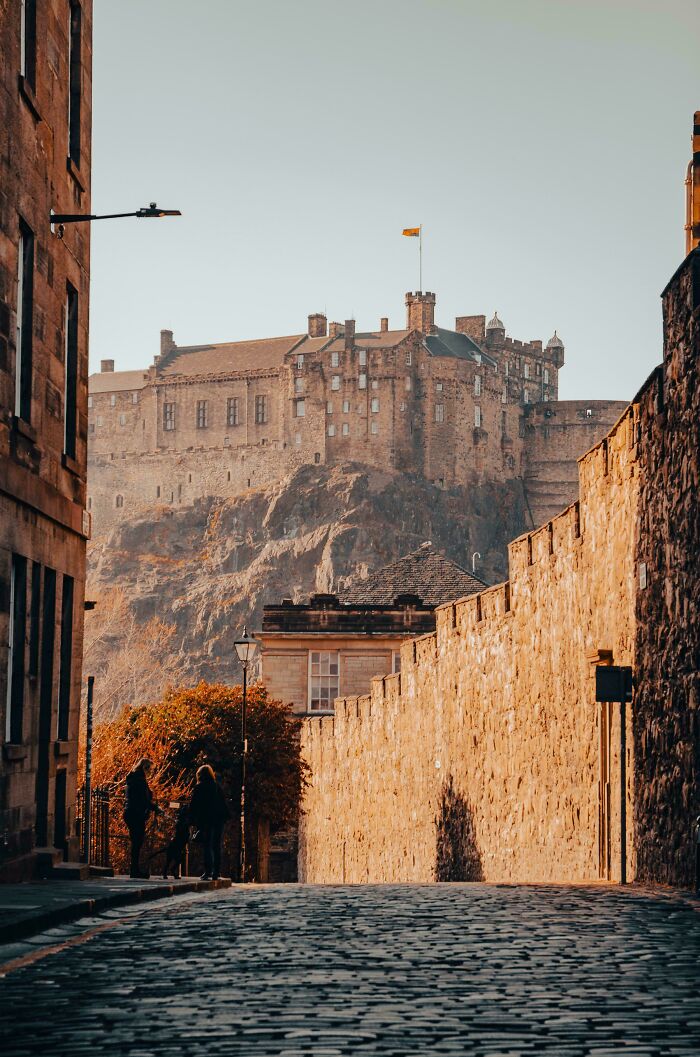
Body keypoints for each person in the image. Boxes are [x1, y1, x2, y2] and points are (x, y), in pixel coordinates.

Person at [189, 764, 230, 880]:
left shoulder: (199, 787)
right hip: (219, 819)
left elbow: (194, 805)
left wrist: (191, 820)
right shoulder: (216, 786)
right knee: (217, 846)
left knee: (207, 845)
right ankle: (216, 872)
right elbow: (222, 803)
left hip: (206, 820)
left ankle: (208, 871)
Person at [124, 758, 158, 878]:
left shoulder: (133, 779)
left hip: (130, 812)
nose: (151, 773)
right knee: (137, 842)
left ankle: (134, 869)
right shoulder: (140, 780)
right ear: (145, 768)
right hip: (136, 814)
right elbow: (144, 799)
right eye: (150, 770)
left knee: (136, 842)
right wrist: (155, 808)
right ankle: (134, 870)